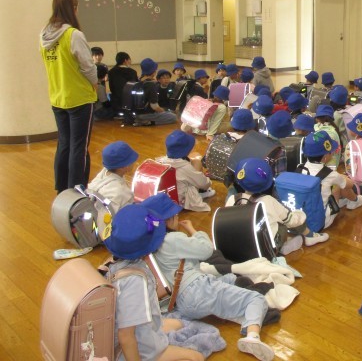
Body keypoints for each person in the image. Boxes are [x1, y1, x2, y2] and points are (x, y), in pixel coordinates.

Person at [141, 193, 276, 361]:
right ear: (167, 221)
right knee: (256, 299)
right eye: (175, 215)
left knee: (228, 279)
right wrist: (193, 230)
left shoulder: (147, 246)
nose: (178, 217)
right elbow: (206, 250)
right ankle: (252, 337)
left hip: (181, 301)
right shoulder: (172, 239)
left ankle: (239, 303)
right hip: (198, 289)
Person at [102, 204, 205, 361]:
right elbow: (126, 336)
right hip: (143, 349)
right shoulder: (135, 282)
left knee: (177, 324)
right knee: (196, 357)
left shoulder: (112, 263)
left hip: (140, 330)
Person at [40, 0, 98, 193]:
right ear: (73, 9)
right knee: (79, 147)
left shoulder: (44, 36)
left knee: (64, 144)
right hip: (79, 98)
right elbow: (88, 67)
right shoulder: (73, 35)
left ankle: (62, 188)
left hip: (57, 97)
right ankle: (76, 190)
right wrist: (95, 83)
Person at [227, 158, 329, 251]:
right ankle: (308, 236)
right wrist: (299, 214)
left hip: (242, 246)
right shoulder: (268, 201)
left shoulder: (232, 199)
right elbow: (292, 221)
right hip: (266, 247)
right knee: (287, 219)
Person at [302, 131, 362, 223]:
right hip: (323, 220)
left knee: (331, 184)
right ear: (325, 156)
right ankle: (355, 200)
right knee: (339, 184)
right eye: (331, 152)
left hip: (305, 217)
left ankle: (342, 200)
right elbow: (350, 185)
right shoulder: (330, 174)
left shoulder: (300, 168)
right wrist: (342, 176)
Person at [88, 140, 138, 236]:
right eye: (131, 161)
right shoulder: (120, 191)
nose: (134, 163)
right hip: (111, 230)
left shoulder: (104, 172)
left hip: (95, 220)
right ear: (123, 167)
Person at [157, 130, 214, 212]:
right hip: (181, 200)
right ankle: (200, 193)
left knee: (195, 161)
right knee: (197, 162)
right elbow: (204, 183)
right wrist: (208, 182)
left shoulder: (161, 161)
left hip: (168, 196)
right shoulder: (185, 168)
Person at [136, 58, 178, 126]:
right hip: (146, 114)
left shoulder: (138, 81)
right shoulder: (151, 85)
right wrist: (163, 111)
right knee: (173, 117)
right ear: (153, 71)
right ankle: (148, 122)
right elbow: (154, 106)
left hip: (136, 113)